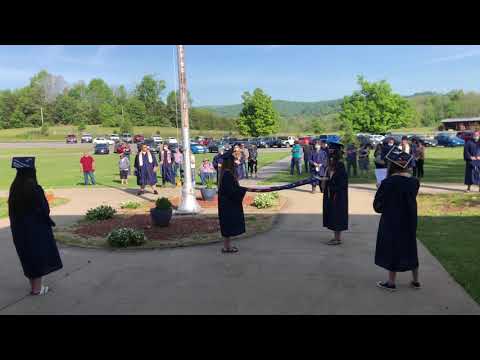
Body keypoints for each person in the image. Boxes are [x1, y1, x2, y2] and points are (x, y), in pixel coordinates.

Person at [9, 157, 63, 296]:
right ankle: (37, 289)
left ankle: (34, 287)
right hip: (36, 229)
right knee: (37, 257)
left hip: (19, 230)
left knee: (27, 257)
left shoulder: (14, 188)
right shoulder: (34, 189)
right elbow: (45, 210)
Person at [373, 149, 421, 292]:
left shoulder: (388, 182)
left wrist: (380, 188)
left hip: (392, 219)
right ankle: (416, 280)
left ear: (392, 166)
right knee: (410, 246)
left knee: (392, 248)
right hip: (410, 219)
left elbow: (378, 206)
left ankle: (391, 282)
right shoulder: (414, 181)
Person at [218, 150, 247, 253]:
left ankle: (227, 246)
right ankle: (227, 247)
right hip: (228, 204)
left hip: (226, 203)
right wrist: (242, 190)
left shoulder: (225, 173)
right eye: (233, 161)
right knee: (228, 226)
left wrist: (241, 189)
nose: (235, 164)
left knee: (227, 226)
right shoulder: (227, 174)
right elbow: (231, 190)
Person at [323, 145, 349, 245]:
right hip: (332, 194)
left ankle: (337, 239)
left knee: (337, 216)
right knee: (333, 216)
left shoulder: (340, 166)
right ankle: (336, 237)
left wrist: (330, 185)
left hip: (338, 196)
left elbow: (342, 183)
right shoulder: (331, 166)